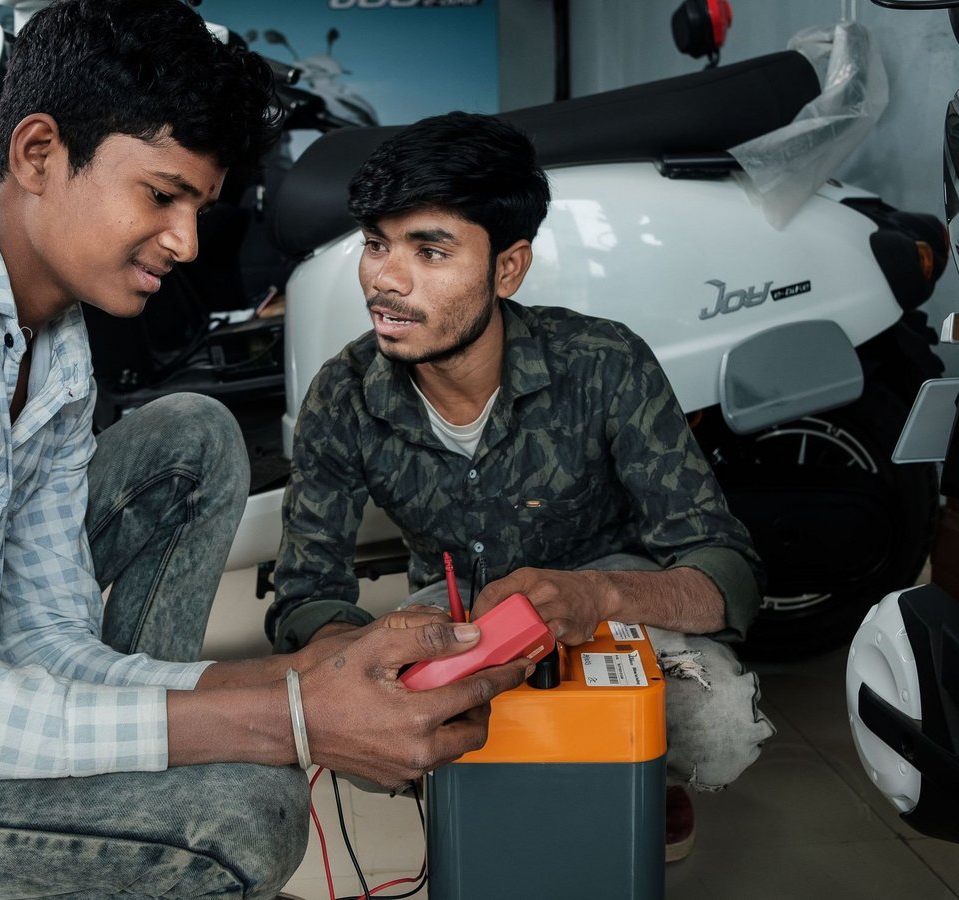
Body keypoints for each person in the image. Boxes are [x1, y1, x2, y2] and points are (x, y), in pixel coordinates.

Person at [0, 6, 533, 898]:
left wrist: (303, 676)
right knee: (237, 818)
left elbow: (48, 644)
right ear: (38, 154)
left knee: (193, 434)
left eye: (199, 206)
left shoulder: (54, 348)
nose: (187, 241)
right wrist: (292, 720)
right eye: (162, 195)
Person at [267, 110, 777, 863]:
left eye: (430, 250)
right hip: (455, 612)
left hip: (609, 602)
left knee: (719, 723)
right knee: (361, 722)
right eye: (376, 245)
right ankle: (485, 784)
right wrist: (362, 653)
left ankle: (639, 773)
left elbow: (725, 573)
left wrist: (594, 597)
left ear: (508, 268)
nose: (386, 278)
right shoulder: (343, 395)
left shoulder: (604, 363)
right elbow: (306, 591)